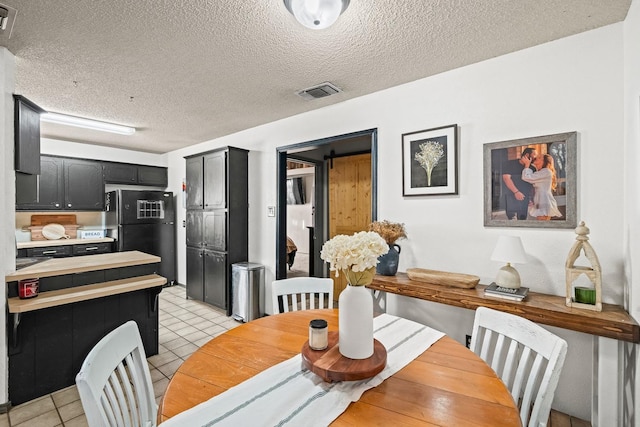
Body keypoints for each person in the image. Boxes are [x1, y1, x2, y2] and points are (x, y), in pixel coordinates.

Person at [521, 153, 562, 220]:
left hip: (544, 200)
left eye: (539, 157)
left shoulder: (546, 171)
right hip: (539, 199)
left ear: (544, 162)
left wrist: (527, 165)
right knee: (541, 222)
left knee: (543, 222)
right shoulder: (541, 172)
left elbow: (526, 177)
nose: (536, 157)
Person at [501, 147, 537, 220]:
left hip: (524, 197)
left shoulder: (533, 168)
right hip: (510, 196)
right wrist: (516, 192)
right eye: (534, 155)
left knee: (522, 220)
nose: (535, 157)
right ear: (527, 155)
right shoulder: (509, 164)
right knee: (512, 220)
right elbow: (506, 178)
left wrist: (532, 198)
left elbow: (532, 184)